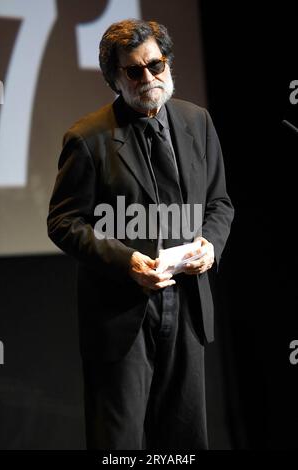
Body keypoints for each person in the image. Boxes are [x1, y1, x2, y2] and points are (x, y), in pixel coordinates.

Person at [47, 18, 234, 450]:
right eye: (134, 70)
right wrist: (126, 261)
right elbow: (63, 222)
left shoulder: (197, 121)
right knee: (120, 444)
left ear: (167, 62)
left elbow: (220, 203)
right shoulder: (87, 138)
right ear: (115, 78)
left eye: (156, 64)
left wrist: (211, 244)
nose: (149, 77)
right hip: (121, 311)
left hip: (187, 303)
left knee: (184, 442)